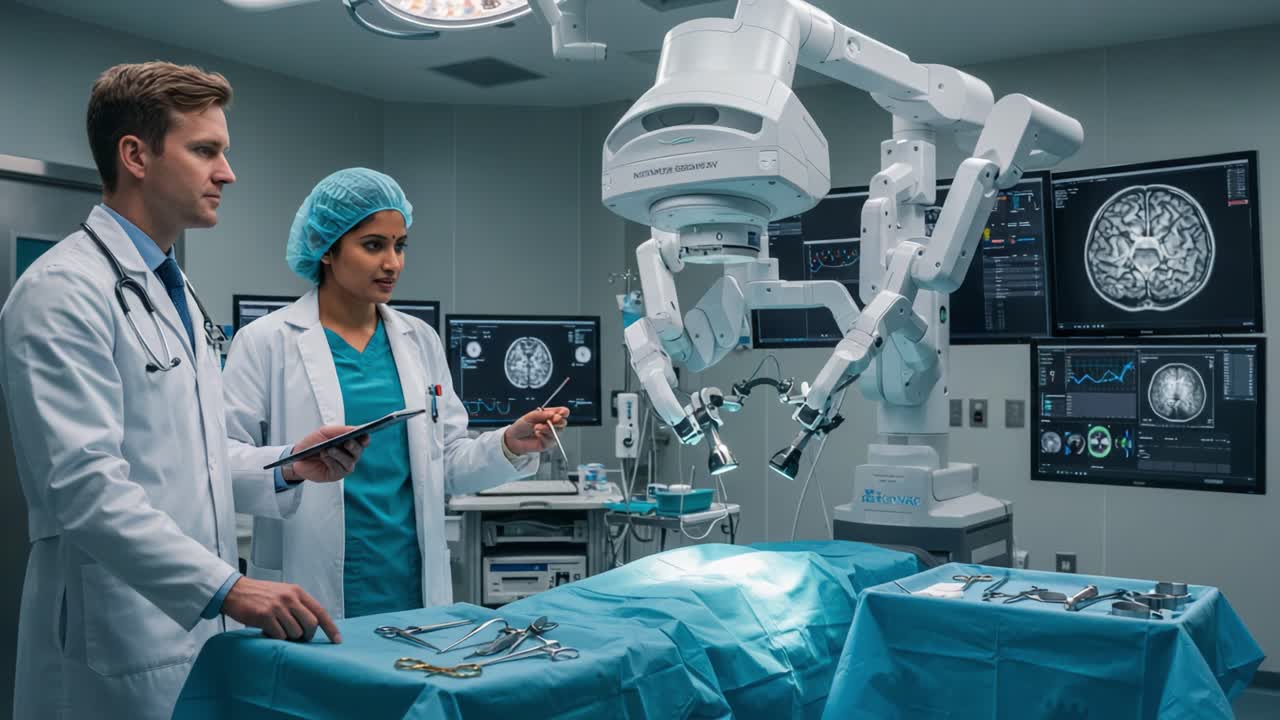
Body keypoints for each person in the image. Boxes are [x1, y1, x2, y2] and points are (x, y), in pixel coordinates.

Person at [0, 62, 369, 720]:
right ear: (136, 155)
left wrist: (288, 465)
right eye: (206, 151)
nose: (227, 173)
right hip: (110, 641)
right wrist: (228, 588)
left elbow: (190, 457)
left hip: (189, 632)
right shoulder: (63, 293)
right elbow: (83, 489)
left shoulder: (174, 293)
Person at [222, 167, 569, 618]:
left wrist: (507, 444)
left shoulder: (418, 339)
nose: (393, 263)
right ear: (327, 249)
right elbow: (221, 462)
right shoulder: (267, 341)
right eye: (373, 245)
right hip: (308, 584)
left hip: (410, 584)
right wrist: (292, 464)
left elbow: (444, 464)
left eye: (400, 245)